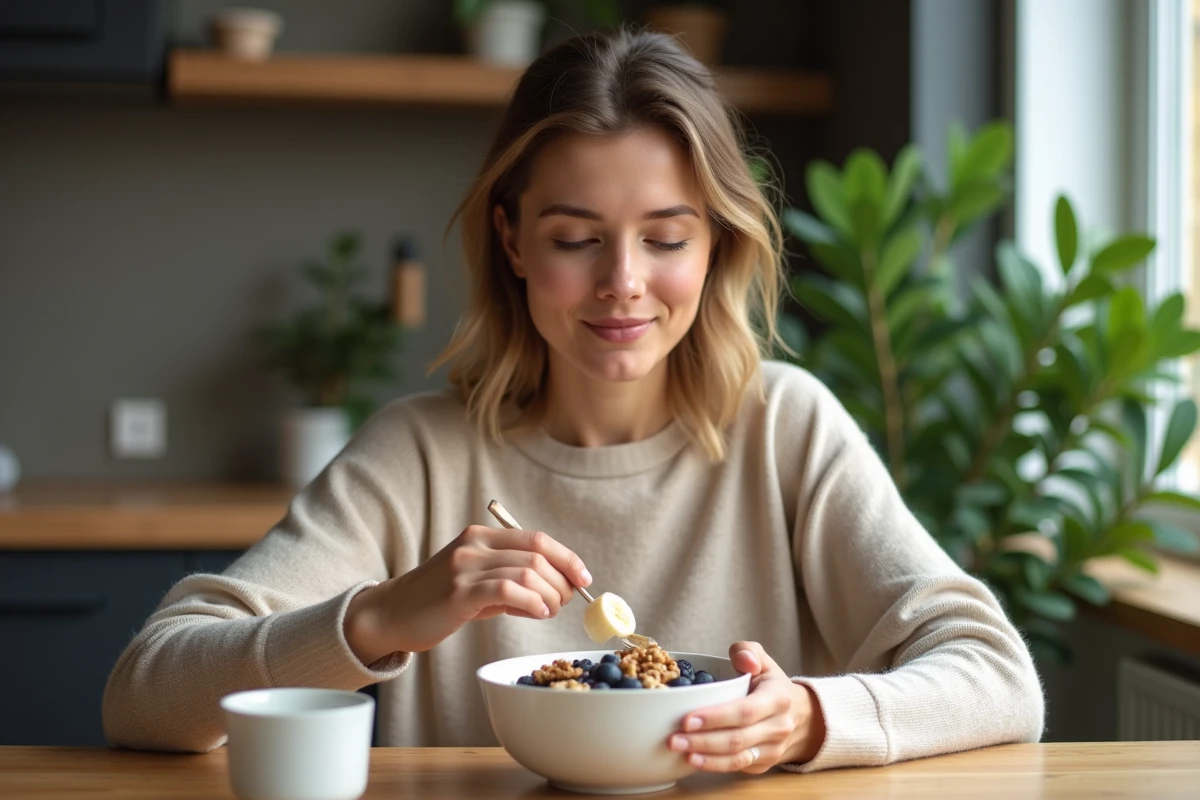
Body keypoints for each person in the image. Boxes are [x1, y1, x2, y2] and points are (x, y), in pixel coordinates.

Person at [103, 28, 1043, 774]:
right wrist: (379, 618)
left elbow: (999, 678)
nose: (623, 283)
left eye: (666, 239)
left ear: (716, 243)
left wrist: (807, 717)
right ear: (512, 241)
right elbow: (145, 693)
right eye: (576, 238)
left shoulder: (785, 429)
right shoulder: (420, 454)